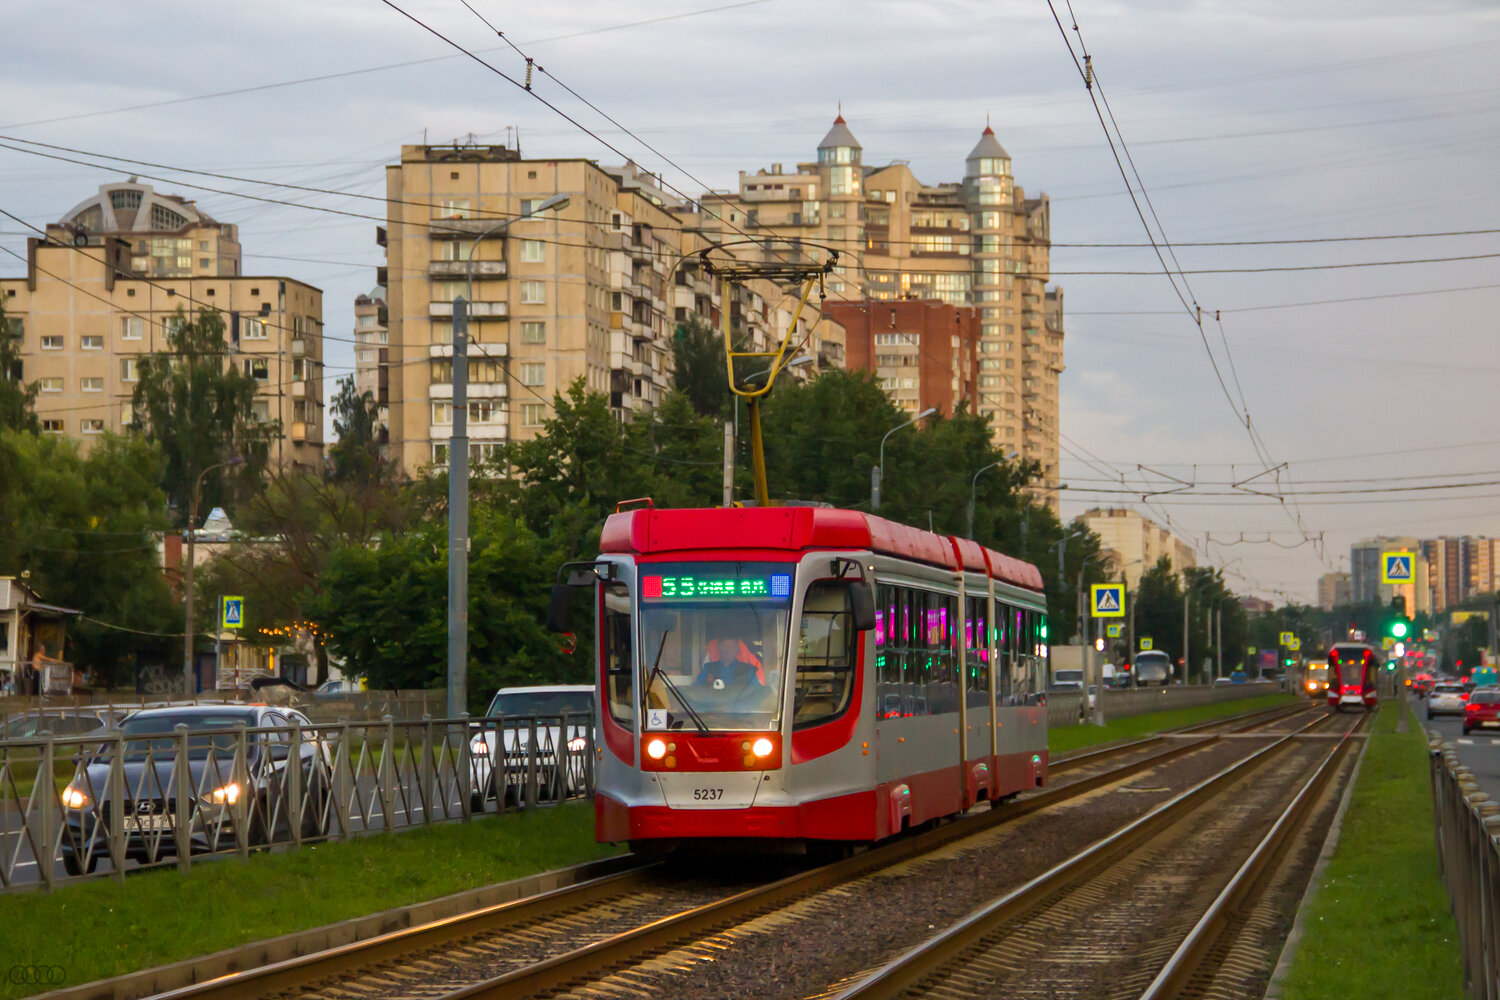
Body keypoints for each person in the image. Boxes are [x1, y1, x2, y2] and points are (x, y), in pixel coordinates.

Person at [696, 632, 764, 690]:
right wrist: (706, 685)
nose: (727, 650)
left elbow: (757, 691)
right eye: (724, 646)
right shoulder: (708, 668)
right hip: (713, 704)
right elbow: (696, 688)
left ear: (737, 649)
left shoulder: (748, 669)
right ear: (719, 648)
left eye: (731, 647)